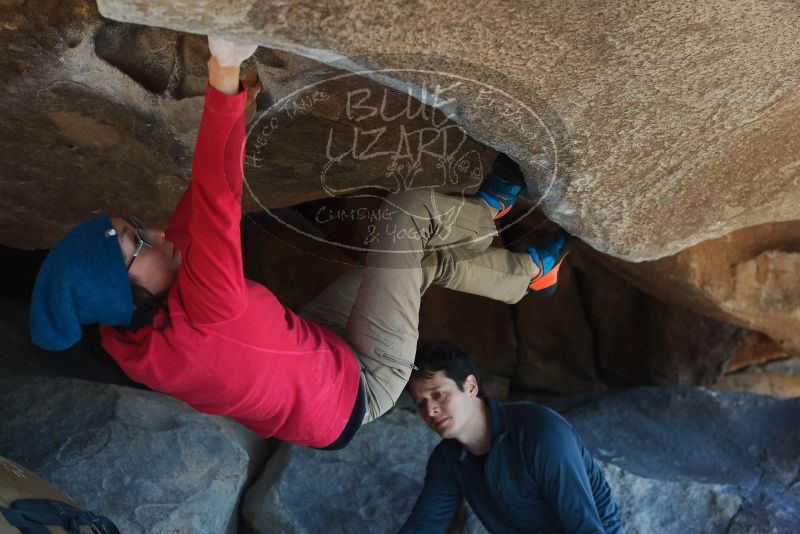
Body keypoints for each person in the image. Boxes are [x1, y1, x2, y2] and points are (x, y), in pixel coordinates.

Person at [29, 36, 574, 450]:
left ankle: (530, 274)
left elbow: (190, 216)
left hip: (315, 350)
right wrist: (224, 68)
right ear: (129, 291)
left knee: (416, 262)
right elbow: (215, 194)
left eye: (134, 225)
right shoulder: (204, 313)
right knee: (407, 218)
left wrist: (235, 100)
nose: (154, 233)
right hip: (361, 386)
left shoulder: (125, 333)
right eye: (136, 242)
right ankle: (487, 212)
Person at [401, 340, 622, 534]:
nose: (430, 410)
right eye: (421, 403)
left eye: (438, 395)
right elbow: (422, 527)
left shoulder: (541, 434)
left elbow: (587, 528)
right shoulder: (447, 460)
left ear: (470, 387)